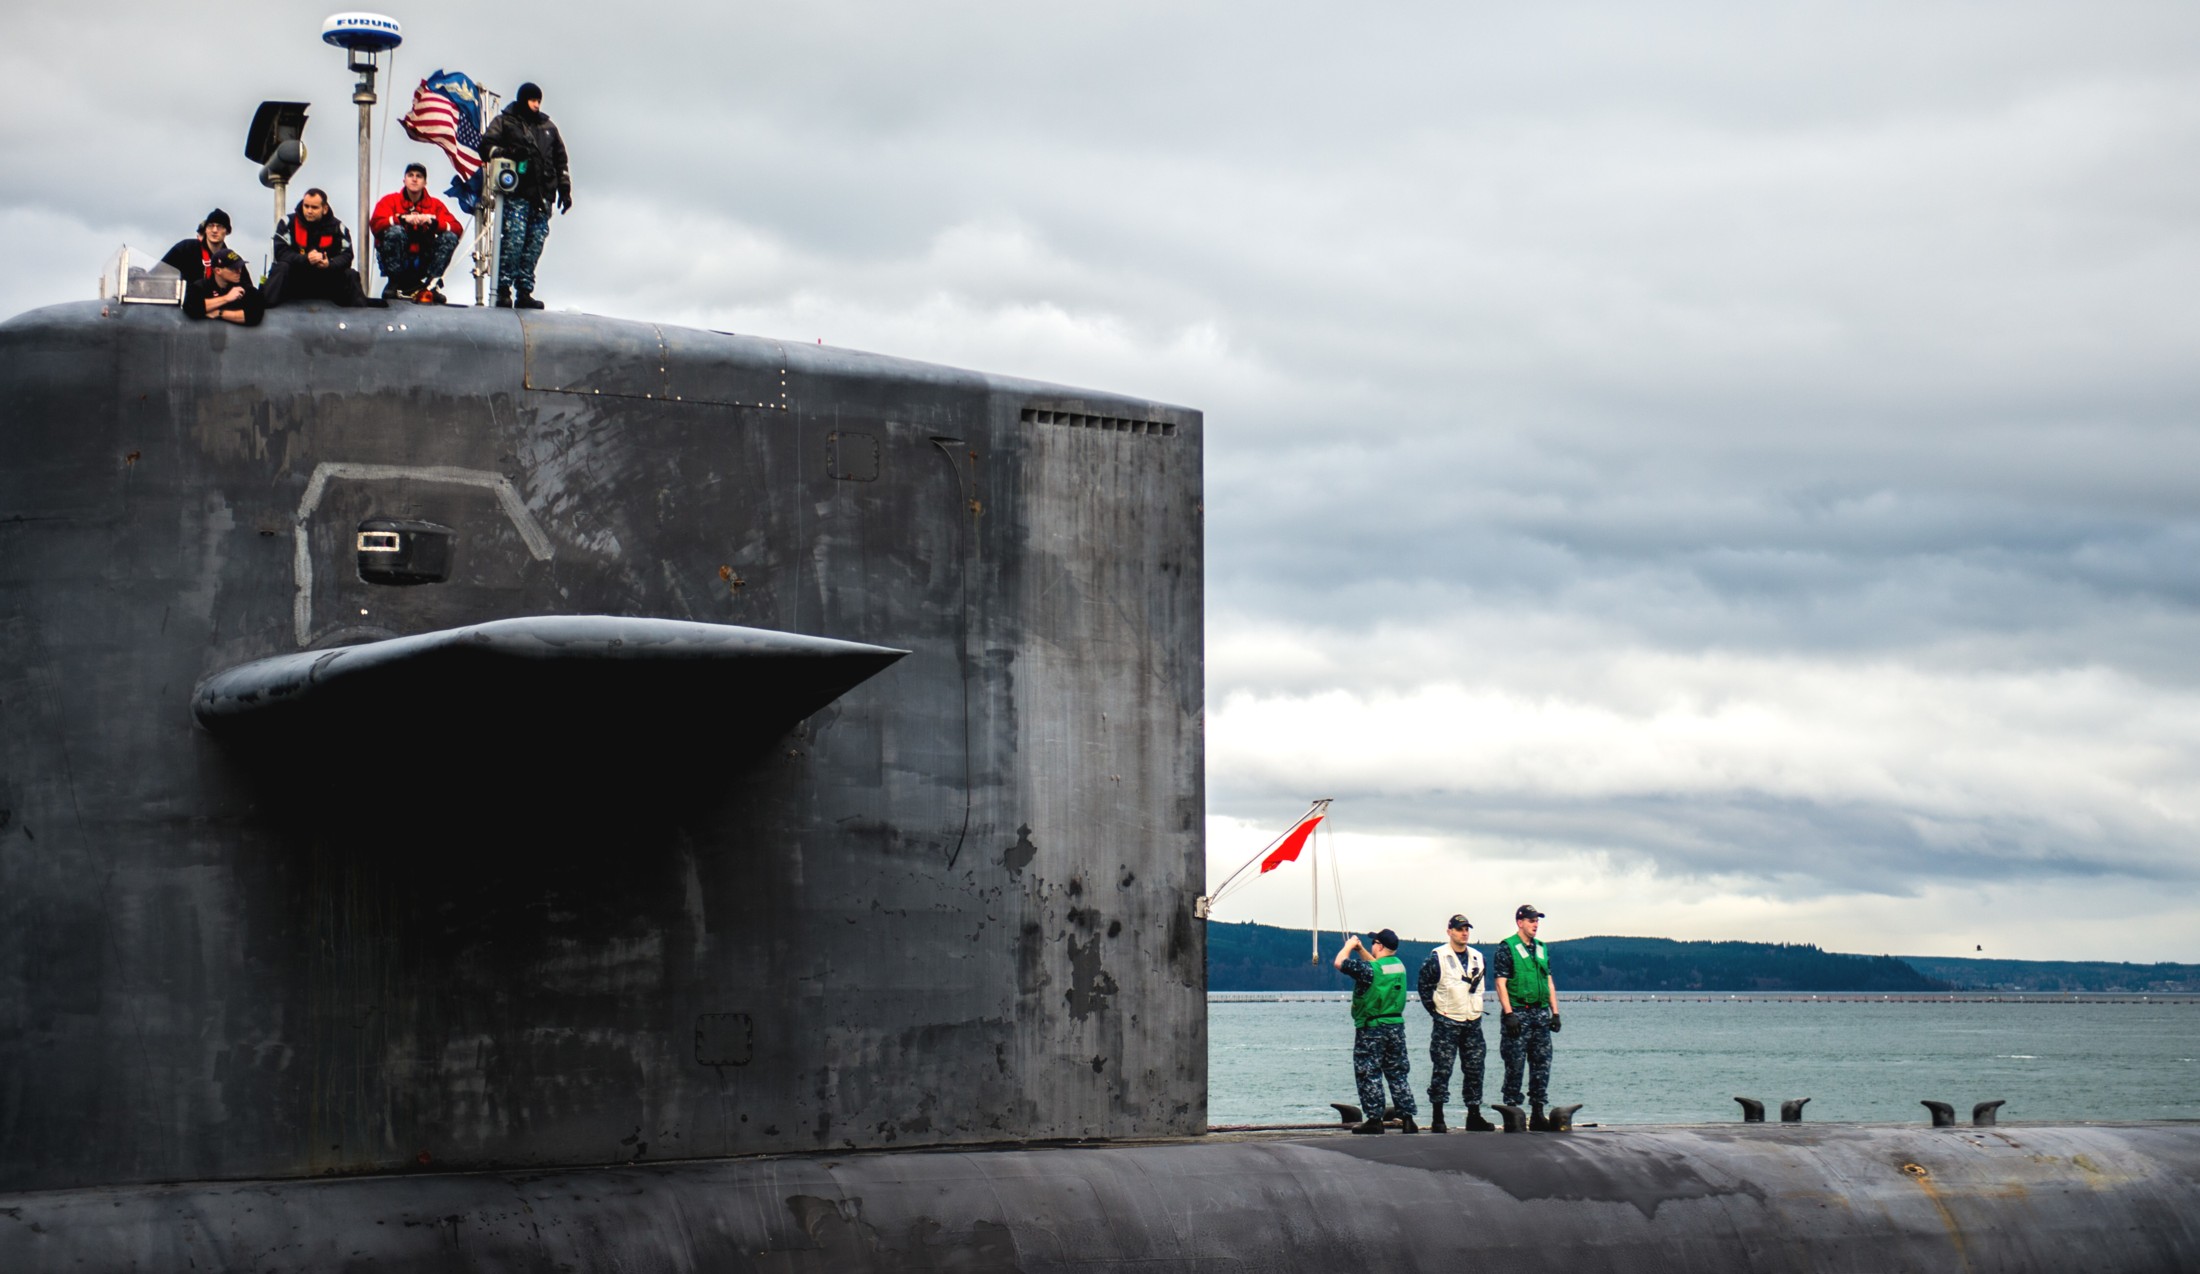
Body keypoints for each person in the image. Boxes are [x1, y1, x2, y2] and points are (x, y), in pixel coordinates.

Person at [480, 81, 571, 309]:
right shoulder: (505, 122)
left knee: (534, 244)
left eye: (538, 101)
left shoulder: (548, 128)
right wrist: (508, 152)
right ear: (523, 99)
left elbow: (561, 159)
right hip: (518, 193)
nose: (536, 105)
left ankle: (524, 291)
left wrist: (564, 189)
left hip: (542, 197)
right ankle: (502, 290)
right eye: (532, 100)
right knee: (514, 241)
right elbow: (486, 146)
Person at [1333, 928, 1417, 1134]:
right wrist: (1362, 950)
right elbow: (1375, 965)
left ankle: (1374, 1119)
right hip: (1396, 1027)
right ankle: (1407, 1119)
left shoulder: (1372, 970)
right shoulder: (1398, 966)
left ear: (1379, 945)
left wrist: (1349, 947)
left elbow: (1339, 963)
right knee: (1397, 1074)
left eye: (1374, 943)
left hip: (1372, 1028)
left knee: (1369, 1073)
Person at [1418, 913, 1494, 1133]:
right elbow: (1424, 987)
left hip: (1473, 1022)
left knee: (1475, 1069)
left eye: (1467, 929)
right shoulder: (1438, 957)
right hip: (1447, 1021)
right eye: (1460, 929)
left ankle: (1474, 1115)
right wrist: (1436, 1012)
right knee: (1442, 1069)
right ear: (1449, 931)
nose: (1464, 933)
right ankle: (1438, 1117)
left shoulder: (1478, 957)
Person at [1494, 904, 1562, 1130]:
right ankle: (1512, 1109)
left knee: (1542, 1063)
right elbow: (1500, 982)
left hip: (1540, 1013)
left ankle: (1538, 1112)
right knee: (1515, 1062)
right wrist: (1509, 1013)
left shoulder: (1542, 948)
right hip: (1518, 1012)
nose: (1535, 924)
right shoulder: (1507, 948)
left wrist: (1555, 1013)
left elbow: (1549, 981)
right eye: (1531, 920)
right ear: (1519, 922)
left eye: (1537, 920)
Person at [265, 189, 378, 308]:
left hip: (326, 280)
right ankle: (265, 308)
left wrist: (329, 263)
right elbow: (281, 252)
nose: (309, 211)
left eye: (314, 208)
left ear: (324, 209)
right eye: (306, 206)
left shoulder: (338, 227)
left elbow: (347, 255)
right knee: (282, 267)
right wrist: (305, 259)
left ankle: (360, 316)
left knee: (350, 274)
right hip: (297, 279)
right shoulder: (287, 223)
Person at [370, 162, 464, 303]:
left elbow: (457, 229)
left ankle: (430, 286)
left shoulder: (434, 205)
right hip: (397, 259)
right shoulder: (390, 201)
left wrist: (433, 223)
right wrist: (401, 219)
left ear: (425, 182)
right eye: (411, 175)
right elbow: (375, 225)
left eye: (419, 176)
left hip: (423, 258)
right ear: (404, 180)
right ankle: (393, 283)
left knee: (449, 237)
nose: (414, 179)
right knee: (395, 232)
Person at [182, 249, 264, 326]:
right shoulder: (201, 286)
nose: (239, 271)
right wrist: (227, 298)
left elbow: (254, 316)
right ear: (218, 270)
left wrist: (220, 313)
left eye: (240, 267)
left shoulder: (246, 289)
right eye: (234, 268)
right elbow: (191, 307)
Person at [159, 208, 233, 284]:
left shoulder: (232, 259)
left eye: (219, 226)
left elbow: (244, 286)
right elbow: (157, 273)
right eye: (210, 226)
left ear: (227, 231)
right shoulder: (186, 248)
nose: (214, 230)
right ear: (206, 230)